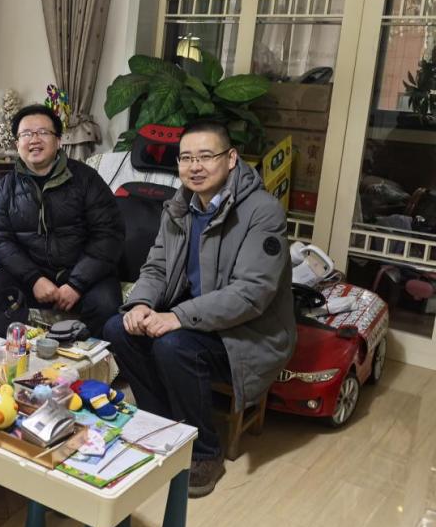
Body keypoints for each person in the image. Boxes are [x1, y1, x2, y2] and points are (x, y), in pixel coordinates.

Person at [103, 121, 296, 498]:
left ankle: (205, 451)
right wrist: (141, 303)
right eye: (186, 158)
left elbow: (251, 294)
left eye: (206, 156)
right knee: (118, 327)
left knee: (173, 346)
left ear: (231, 158)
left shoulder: (262, 212)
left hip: (247, 332)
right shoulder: (180, 206)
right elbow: (157, 267)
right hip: (197, 318)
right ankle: (163, 425)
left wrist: (176, 317)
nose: (195, 166)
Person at [0, 104, 123, 334]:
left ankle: (82, 354)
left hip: (83, 276)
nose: (34, 139)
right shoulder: (6, 186)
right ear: (17, 144)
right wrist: (34, 278)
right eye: (26, 134)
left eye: (43, 132)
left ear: (58, 141)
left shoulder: (86, 179)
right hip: (33, 277)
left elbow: (109, 234)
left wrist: (76, 284)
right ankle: (18, 348)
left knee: (106, 302)